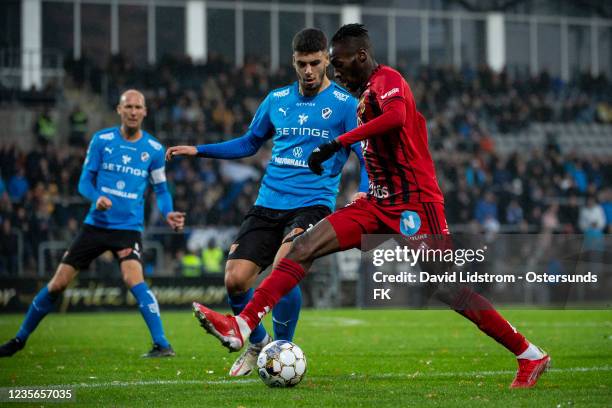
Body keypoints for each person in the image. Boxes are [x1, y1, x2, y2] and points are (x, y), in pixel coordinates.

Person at [192, 24, 550, 389]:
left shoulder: (388, 80)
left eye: (340, 63)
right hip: (377, 202)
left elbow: (395, 119)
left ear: (361, 57)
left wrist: (336, 144)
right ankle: (241, 325)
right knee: (303, 248)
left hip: (414, 205)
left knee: (448, 289)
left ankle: (529, 354)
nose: (335, 70)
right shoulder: (362, 95)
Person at [167, 28, 367, 376]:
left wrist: (363, 190)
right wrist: (199, 150)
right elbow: (248, 143)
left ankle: (280, 351)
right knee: (235, 280)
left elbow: (366, 156)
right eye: (302, 64)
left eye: (315, 63)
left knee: (284, 268)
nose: (308, 71)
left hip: (312, 204)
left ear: (326, 61)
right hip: (268, 203)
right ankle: (258, 342)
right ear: (293, 61)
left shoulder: (346, 105)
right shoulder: (276, 100)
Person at [0, 90, 185, 358]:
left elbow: (161, 190)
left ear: (145, 112)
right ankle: (19, 340)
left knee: (134, 279)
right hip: (96, 226)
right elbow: (84, 182)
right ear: (119, 110)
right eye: (128, 106)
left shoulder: (154, 150)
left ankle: (162, 344)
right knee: (58, 284)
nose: (133, 111)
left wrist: (168, 212)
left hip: (128, 228)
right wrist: (97, 197)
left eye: (138, 107)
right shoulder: (102, 140)